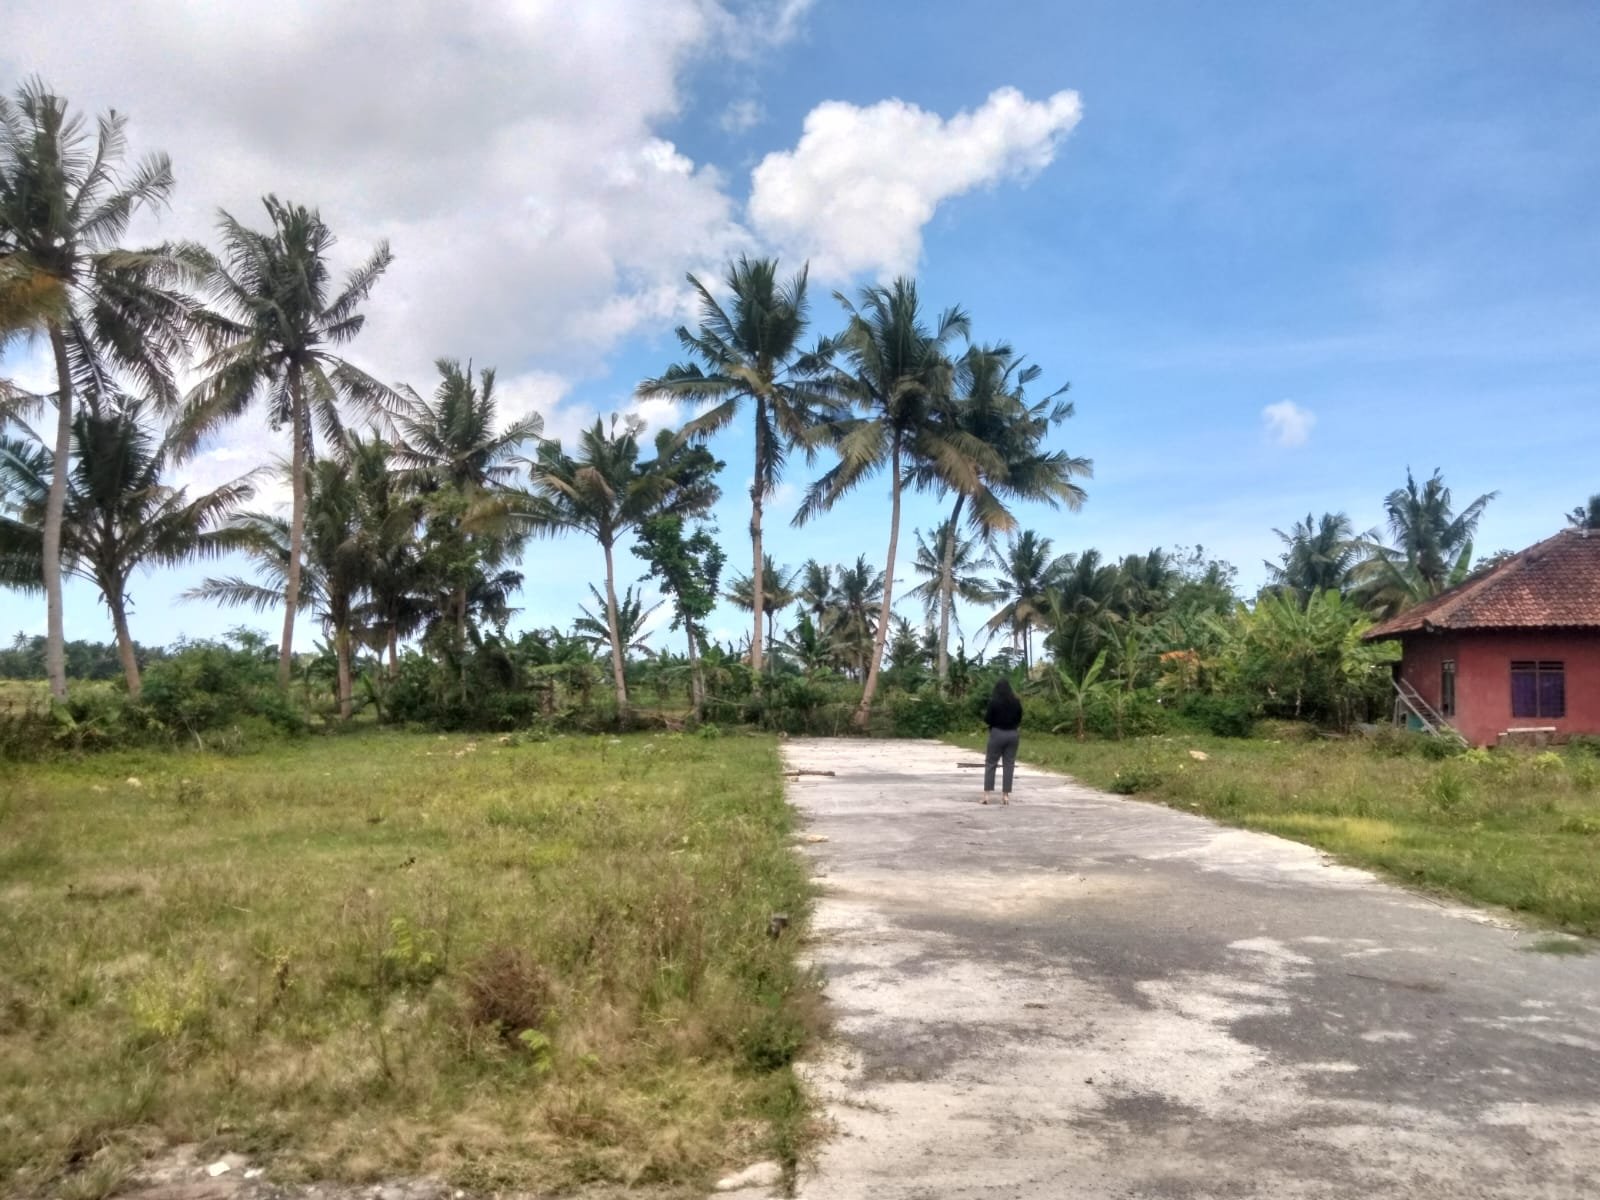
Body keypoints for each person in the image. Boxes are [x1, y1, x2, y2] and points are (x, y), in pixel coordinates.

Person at [982, 677, 1022, 805]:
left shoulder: (994, 702)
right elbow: (1019, 718)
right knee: (1009, 764)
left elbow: (987, 719)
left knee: (991, 763)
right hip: (1013, 734)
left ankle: (987, 796)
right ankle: (1005, 796)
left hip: (997, 733)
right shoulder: (1016, 702)